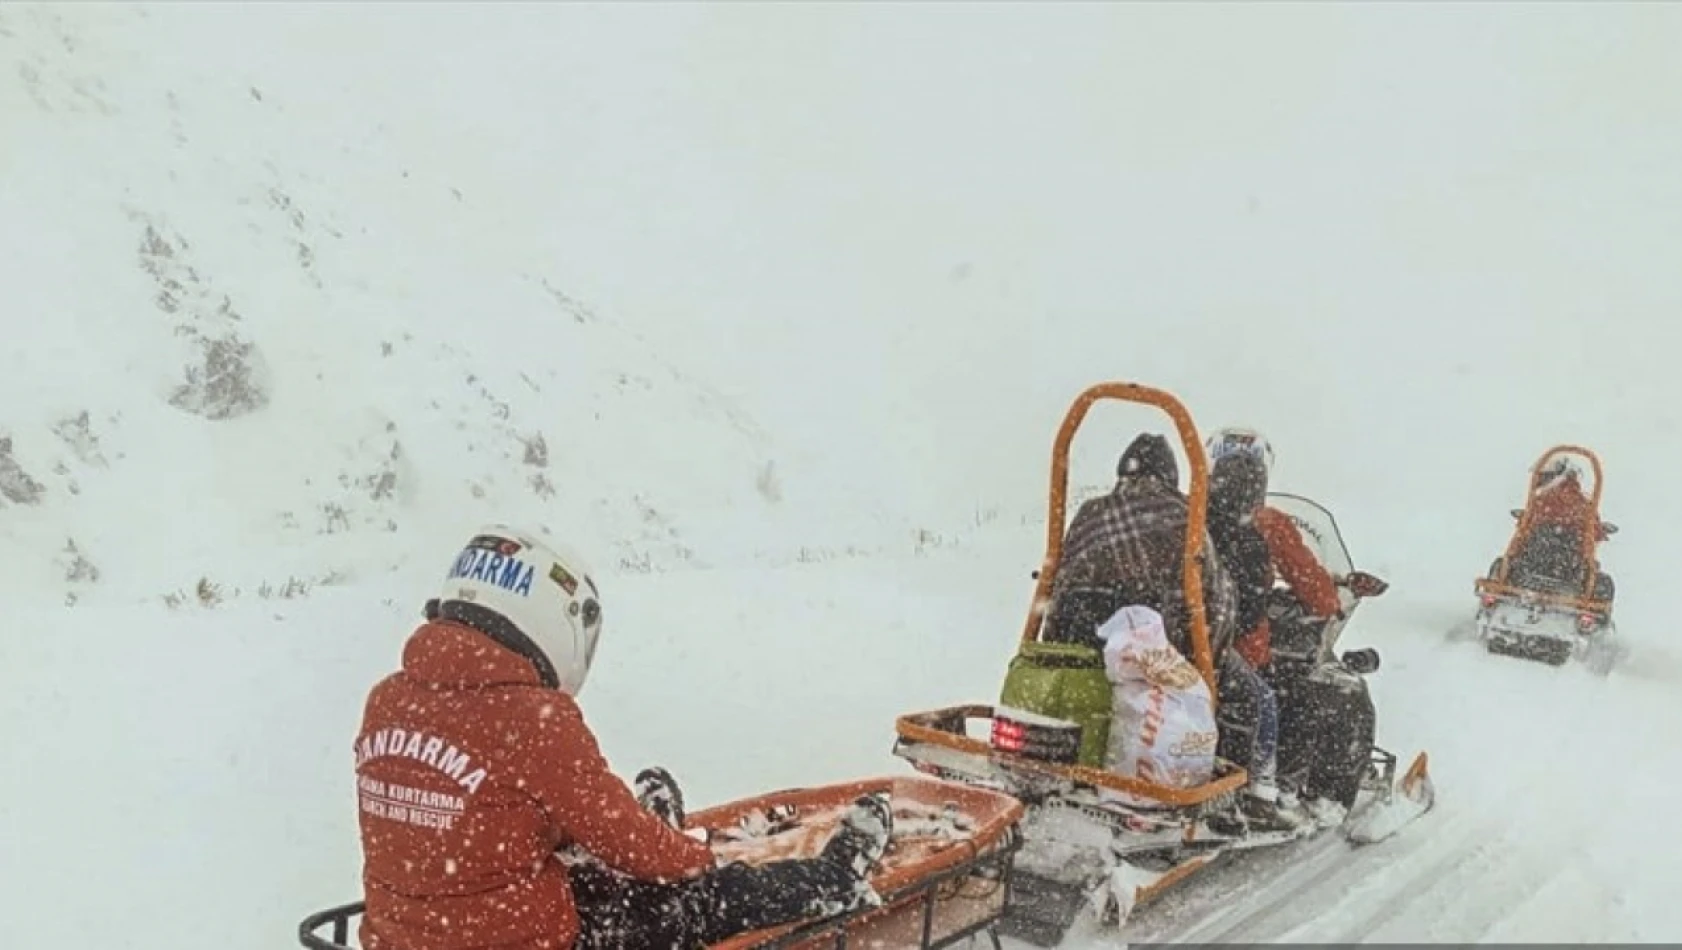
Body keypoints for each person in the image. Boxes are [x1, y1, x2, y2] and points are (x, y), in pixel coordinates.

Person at [354, 526, 893, 950]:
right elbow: (629, 845)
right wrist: (697, 862)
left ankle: (657, 824)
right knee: (695, 902)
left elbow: (489, 812)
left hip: (406, 933)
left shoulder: (388, 699)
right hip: (523, 938)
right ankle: (832, 878)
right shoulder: (530, 716)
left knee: (605, 867)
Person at [1046, 433, 1296, 831]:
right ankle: (1255, 795)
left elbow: (1059, 581)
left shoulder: (1091, 513)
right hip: (1161, 653)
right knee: (1257, 697)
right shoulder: (1183, 517)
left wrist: (1055, 640)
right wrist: (1205, 660)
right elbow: (1216, 599)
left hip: (1081, 643)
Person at [1204, 427, 1344, 670]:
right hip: (1245, 651)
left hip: (1180, 642)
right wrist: (1331, 600)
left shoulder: (1184, 516)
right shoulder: (1270, 524)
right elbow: (1314, 589)